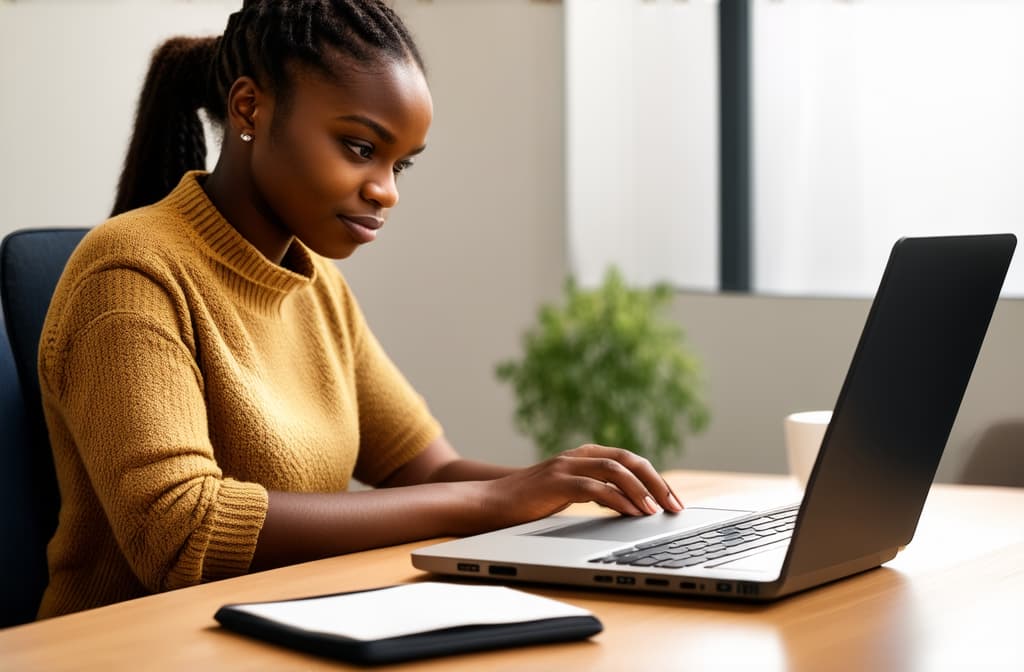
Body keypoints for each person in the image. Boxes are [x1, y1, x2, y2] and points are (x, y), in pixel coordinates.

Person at [36, 0, 683, 619]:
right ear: (250, 108)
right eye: (359, 147)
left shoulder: (315, 282)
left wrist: (575, 491)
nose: (386, 191)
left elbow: (428, 470)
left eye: (402, 164)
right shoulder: (130, 273)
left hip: (295, 625)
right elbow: (181, 531)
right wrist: (488, 502)